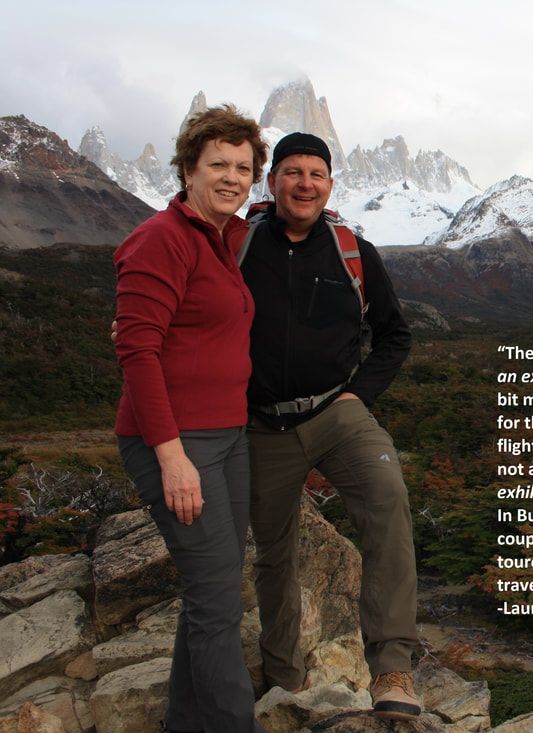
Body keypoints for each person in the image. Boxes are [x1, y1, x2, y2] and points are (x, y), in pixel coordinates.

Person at [236, 133, 420, 720]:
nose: (304, 183)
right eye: (292, 172)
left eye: (316, 174)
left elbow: (395, 335)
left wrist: (357, 397)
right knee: (274, 551)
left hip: (336, 412)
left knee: (388, 498)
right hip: (261, 423)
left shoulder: (353, 252)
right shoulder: (235, 245)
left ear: (330, 185)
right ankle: (284, 675)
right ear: (272, 183)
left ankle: (392, 667)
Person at [113, 106, 267, 733]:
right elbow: (137, 350)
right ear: (187, 169)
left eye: (243, 167)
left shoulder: (223, 236)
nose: (232, 178)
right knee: (215, 599)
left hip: (226, 436)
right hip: (179, 442)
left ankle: (184, 723)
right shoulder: (162, 238)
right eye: (218, 165)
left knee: (215, 591)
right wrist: (171, 456)